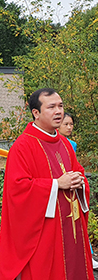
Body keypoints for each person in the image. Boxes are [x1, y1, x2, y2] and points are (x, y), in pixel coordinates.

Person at [0, 88, 93, 279]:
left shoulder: (64, 143)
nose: (59, 111)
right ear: (36, 113)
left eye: (61, 106)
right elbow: (18, 189)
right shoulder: (22, 146)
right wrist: (56, 184)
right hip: (46, 231)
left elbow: (78, 172)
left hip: (70, 225)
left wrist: (79, 182)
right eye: (51, 107)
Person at [58, 112, 98, 270]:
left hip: (72, 184)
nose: (69, 127)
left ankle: (87, 254)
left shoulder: (71, 144)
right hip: (61, 184)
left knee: (78, 221)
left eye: (71, 124)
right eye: (65, 124)